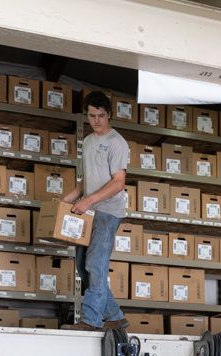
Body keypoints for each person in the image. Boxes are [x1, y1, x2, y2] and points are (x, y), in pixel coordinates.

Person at [63, 91, 130, 331]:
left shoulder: (117, 143)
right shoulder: (89, 142)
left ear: (109, 114)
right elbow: (85, 182)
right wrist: (62, 203)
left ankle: (90, 321)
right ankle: (115, 316)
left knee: (95, 265)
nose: (96, 121)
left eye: (101, 116)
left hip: (108, 211)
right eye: (92, 116)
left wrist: (89, 201)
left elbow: (118, 182)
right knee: (83, 266)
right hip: (90, 210)